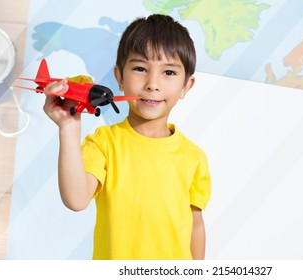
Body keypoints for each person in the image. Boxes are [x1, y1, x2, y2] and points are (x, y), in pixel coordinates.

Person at [43, 14, 211, 260]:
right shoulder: (103, 143)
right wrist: (68, 127)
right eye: (140, 69)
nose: (152, 84)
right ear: (119, 77)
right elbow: (77, 200)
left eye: (169, 73)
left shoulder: (194, 158)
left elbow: (196, 226)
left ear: (187, 86)